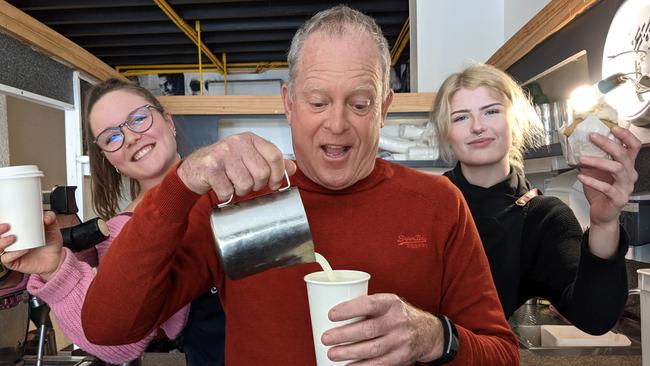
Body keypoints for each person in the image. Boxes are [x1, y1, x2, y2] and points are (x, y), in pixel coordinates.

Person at [79, 6, 519, 365]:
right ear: (288, 104)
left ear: (384, 107)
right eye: (317, 101)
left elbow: (501, 353)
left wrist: (435, 338)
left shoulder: (438, 203)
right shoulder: (239, 200)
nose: (337, 123)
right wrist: (179, 186)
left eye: (360, 103)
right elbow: (108, 327)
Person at [0, 79, 225, 365]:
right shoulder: (122, 231)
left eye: (138, 119)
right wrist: (55, 270)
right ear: (109, 158)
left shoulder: (232, 183)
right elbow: (119, 342)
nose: (130, 137)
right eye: (111, 137)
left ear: (168, 121)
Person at [431, 63, 641, 334]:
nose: (477, 126)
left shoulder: (543, 217)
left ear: (515, 121)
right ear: (446, 133)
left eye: (491, 111)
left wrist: (605, 224)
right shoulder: (426, 201)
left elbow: (595, 318)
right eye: (460, 117)